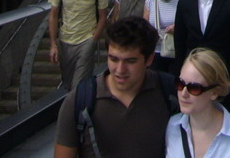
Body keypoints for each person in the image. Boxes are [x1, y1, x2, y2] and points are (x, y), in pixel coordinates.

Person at [54, 16, 176, 158]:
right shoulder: (79, 101)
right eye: (113, 59)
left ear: (149, 59)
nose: (120, 69)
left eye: (130, 61)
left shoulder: (170, 93)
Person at [164, 48, 230, 158]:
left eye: (194, 88)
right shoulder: (172, 126)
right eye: (180, 84)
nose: (183, 93)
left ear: (214, 92)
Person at [49, 0, 109, 90]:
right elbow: (53, 15)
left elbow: (103, 16)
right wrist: (53, 44)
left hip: (86, 40)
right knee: (67, 83)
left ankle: (79, 110)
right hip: (65, 40)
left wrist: (94, 39)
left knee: (79, 84)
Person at [144, 0, 183, 73]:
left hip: (176, 51)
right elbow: (144, 26)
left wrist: (178, 29)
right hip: (156, 52)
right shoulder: (151, 1)